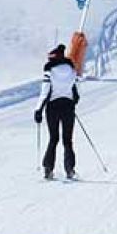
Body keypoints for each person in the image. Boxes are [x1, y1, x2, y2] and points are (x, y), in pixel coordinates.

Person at [34, 44, 80, 180]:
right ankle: (70, 169)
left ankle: (48, 169)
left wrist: (38, 110)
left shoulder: (49, 72)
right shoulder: (71, 70)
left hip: (53, 107)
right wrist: (72, 102)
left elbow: (45, 93)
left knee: (53, 138)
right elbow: (76, 94)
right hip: (68, 107)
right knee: (68, 140)